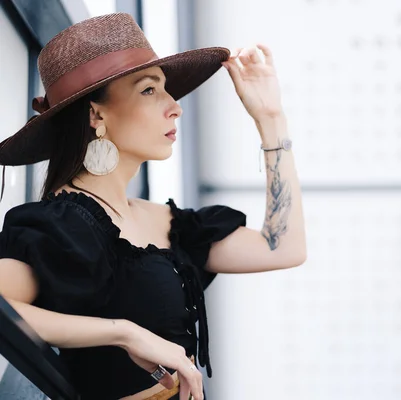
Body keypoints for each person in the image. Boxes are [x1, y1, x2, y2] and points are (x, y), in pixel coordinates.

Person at [0, 13, 306, 400]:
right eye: (149, 90)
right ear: (97, 114)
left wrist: (271, 119)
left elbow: (284, 248)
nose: (174, 106)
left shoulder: (166, 222)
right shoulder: (60, 226)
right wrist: (124, 333)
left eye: (165, 89)